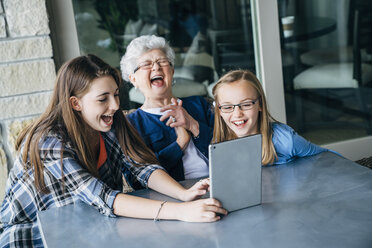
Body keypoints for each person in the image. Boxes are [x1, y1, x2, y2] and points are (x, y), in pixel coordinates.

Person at [0, 55, 227, 247]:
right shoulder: (48, 143)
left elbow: (143, 167)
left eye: (116, 94)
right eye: (103, 99)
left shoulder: (108, 124)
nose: (116, 105)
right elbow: (104, 198)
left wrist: (183, 195)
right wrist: (181, 212)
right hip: (31, 238)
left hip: (84, 229)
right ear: (75, 103)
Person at [120, 35, 214, 181]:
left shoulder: (199, 104)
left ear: (172, 71)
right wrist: (179, 144)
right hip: (174, 198)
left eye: (162, 62)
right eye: (147, 64)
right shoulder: (131, 124)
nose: (156, 67)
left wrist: (193, 126)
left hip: (218, 183)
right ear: (133, 79)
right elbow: (137, 179)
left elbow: (226, 149)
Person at [212, 69, 336, 165]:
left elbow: (326, 156)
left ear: (260, 104)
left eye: (246, 104)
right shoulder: (218, 144)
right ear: (219, 111)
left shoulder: (285, 140)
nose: (237, 114)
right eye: (227, 107)